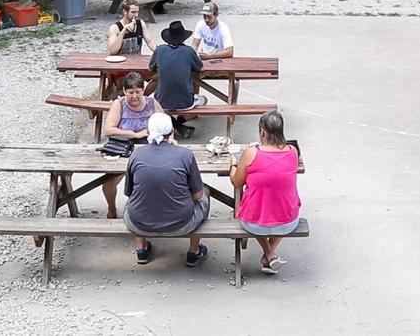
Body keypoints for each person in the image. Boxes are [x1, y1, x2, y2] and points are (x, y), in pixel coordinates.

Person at [123, 112, 210, 266]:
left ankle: (141, 249)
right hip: (181, 224)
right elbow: (197, 195)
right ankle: (194, 251)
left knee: (134, 199)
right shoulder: (185, 155)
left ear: (149, 132)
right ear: (171, 132)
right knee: (205, 193)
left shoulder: (136, 155)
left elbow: (129, 192)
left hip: (138, 222)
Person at [230, 111, 301, 275]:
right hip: (288, 222)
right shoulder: (292, 151)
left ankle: (269, 254)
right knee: (278, 209)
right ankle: (269, 256)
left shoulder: (251, 153)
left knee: (255, 213)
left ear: (262, 132)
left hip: (254, 224)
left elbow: (237, 182)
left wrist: (233, 166)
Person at [101, 72, 156, 218]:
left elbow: (166, 124)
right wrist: (134, 134)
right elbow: (108, 130)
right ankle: (111, 209)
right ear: (124, 91)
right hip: (123, 149)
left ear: (143, 91)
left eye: (138, 92)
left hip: (148, 151)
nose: (134, 96)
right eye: (130, 92)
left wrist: (170, 138)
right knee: (108, 183)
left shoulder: (151, 103)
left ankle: (144, 213)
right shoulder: (119, 104)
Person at [148, 21, 204, 138]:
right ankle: (178, 124)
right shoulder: (189, 51)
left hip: (162, 101)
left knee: (150, 100)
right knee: (203, 100)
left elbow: (151, 68)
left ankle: (174, 125)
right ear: (183, 38)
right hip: (185, 102)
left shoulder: (159, 50)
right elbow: (199, 67)